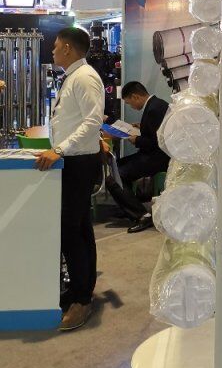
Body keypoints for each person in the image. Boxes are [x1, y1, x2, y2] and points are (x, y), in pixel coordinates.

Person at [35, 27, 104, 331]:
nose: (52, 51)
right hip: (74, 161)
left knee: (69, 231)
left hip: (78, 163)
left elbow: (93, 119)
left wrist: (59, 149)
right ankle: (82, 290)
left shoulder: (85, 77)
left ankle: (81, 301)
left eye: (55, 46)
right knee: (80, 229)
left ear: (67, 48)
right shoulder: (74, 76)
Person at [105, 81, 169, 233]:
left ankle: (142, 215)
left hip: (157, 158)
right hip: (154, 155)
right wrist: (141, 127)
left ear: (135, 97)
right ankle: (129, 206)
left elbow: (156, 142)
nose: (131, 107)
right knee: (116, 166)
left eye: (129, 103)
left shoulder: (153, 109)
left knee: (114, 176)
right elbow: (156, 131)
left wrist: (136, 140)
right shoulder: (157, 104)